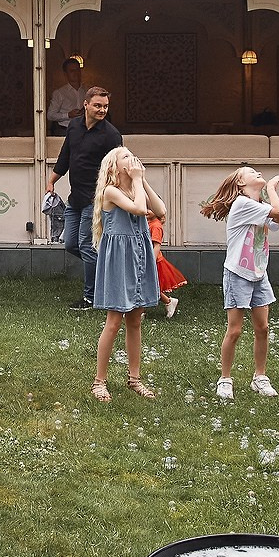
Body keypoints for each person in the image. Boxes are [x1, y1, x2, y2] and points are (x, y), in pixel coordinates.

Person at [202, 165, 279, 401]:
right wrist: (270, 188)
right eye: (250, 171)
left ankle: (260, 377)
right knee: (235, 329)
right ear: (240, 184)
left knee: (263, 328)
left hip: (259, 273)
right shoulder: (241, 204)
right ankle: (225, 379)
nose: (257, 173)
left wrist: (268, 194)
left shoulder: (259, 207)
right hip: (238, 273)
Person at [90, 147, 166, 400]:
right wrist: (135, 181)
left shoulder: (137, 187)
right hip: (119, 258)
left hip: (139, 253)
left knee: (135, 319)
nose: (131, 158)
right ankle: (99, 381)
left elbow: (160, 210)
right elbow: (139, 210)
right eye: (125, 156)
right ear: (113, 166)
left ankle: (134, 379)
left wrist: (141, 180)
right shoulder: (110, 191)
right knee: (114, 320)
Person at [50, 87, 123, 310]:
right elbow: (65, 155)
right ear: (86, 105)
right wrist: (51, 180)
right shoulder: (73, 126)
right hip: (75, 199)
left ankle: (91, 298)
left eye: (105, 106)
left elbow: (119, 169)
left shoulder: (111, 135)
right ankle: (108, 273)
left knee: (87, 246)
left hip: (96, 199)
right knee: (71, 244)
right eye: (97, 105)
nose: (102, 110)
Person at [149, 213, 186, 318]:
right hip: (145, 260)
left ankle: (138, 313)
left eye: (150, 208)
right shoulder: (147, 222)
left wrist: (151, 262)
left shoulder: (156, 226)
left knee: (147, 286)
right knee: (148, 286)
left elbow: (156, 245)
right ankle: (169, 301)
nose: (146, 210)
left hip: (154, 261)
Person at [46, 57, 87, 133]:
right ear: (65, 74)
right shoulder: (59, 93)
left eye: (78, 70)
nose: (76, 73)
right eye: (72, 71)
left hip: (83, 130)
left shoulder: (86, 91)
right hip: (64, 131)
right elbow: (50, 115)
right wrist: (68, 115)